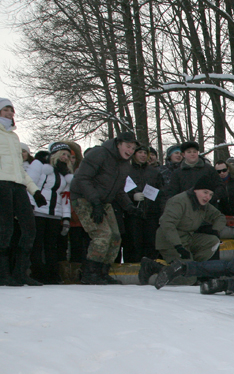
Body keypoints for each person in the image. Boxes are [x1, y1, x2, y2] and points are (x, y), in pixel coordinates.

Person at [69, 130, 139, 284]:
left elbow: (119, 190)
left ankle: (103, 271)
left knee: (115, 236)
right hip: (84, 198)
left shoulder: (125, 164)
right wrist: (95, 203)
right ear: (118, 144)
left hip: (104, 202)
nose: (130, 151)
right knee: (102, 235)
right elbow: (82, 179)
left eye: (133, 149)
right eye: (128, 146)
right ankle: (89, 273)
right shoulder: (99, 154)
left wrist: (129, 206)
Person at [0, 97, 46, 286]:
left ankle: (20, 272)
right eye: (5, 110)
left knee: (29, 228)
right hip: (2, 184)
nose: (10, 113)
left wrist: (35, 191)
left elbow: (20, 168)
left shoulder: (14, 137)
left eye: (11, 110)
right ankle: (3, 274)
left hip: (18, 186)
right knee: (5, 230)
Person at [27, 142, 74, 283]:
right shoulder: (40, 166)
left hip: (55, 214)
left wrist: (66, 217)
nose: (65, 157)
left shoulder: (65, 173)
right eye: (63, 154)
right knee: (37, 244)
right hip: (38, 211)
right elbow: (30, 185)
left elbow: (65, 197)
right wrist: (29, 206)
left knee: (51, 245)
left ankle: (52, 274)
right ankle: (38, 273)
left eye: (68, 155)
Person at [121, 145, 163, 262]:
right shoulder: (125, 171)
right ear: (134, 154)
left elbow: (161, 193)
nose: (143, 155)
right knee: (133, 245)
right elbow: (119, 191)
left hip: (151, 215)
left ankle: (151, 267)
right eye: (140, 152)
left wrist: (161, 212)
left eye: (145, 153)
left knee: (151, 244)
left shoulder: (154, 172)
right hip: (132, 215)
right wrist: (131, 197)